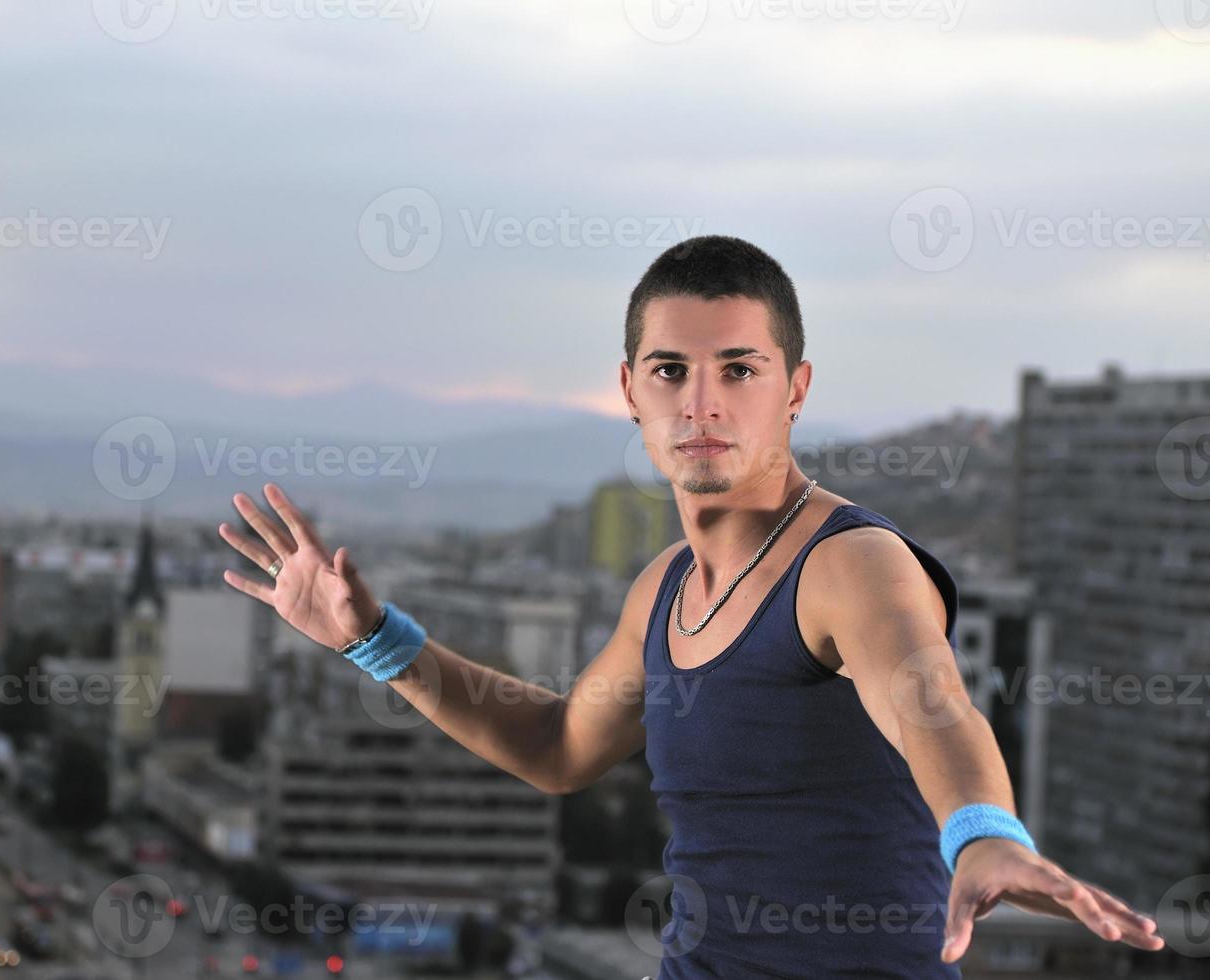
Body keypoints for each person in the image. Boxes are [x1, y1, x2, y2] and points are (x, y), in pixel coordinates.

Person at [218, 235, 1165, 977]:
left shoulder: (852, 563)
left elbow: (934, 706)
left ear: (795, 390)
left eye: (740, 370)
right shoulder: (663, 588)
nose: (701, 404)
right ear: (630, 391)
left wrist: (985, 832)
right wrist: (374, 642)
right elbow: (557, 748)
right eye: (671, 370)